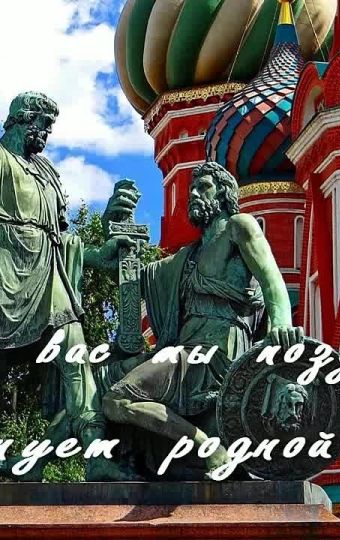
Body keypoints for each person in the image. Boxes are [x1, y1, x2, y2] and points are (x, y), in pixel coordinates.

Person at [0, 12, 137, 481]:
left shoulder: (48, 174)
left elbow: (66, 243)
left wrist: (103, 249)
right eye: (43, 125)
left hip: (48, 273)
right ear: (24, 121)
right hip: (1, 270)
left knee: (75, 348)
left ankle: (96, 454)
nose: (47, 135)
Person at [101, 161, 303, 478]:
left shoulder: (239, 226)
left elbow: (272, 280)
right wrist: (113, 230)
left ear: (224, 194)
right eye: (192, 188)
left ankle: (208, 447)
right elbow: (131, 278)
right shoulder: (187, 257)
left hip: (217, 352)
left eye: (204, 187)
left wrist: (280, 322)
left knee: (118, 398)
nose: (194, 193)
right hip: (186, 352)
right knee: (104, 376)